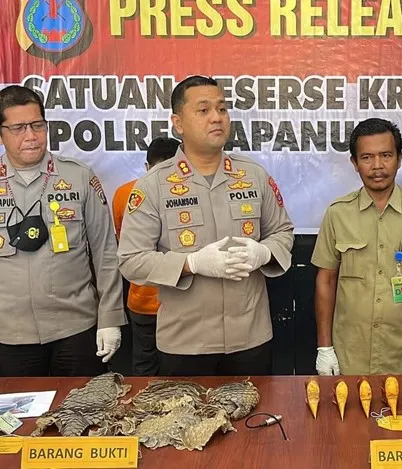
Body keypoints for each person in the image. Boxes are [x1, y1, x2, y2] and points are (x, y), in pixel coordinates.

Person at [117, 75, 294, 376]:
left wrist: (263, 253)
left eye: (222, 109)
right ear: (178, 123)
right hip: (185, 343)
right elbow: (131, 260)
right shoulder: (153, 185)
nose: (216, 117)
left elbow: (282, 232)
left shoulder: (253, 176)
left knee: (253, 407)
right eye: (203, 110)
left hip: (250, 337)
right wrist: (192, 263)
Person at [311, 118, 402, 375]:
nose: (377, 166)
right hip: (349, 354)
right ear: (354, 163)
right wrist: (325, 348)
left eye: (386, 155)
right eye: (367, 157)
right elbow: (326, 280)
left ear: (399, 159)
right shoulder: (338, 214)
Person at [0, 85, 125, 377]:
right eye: (18, 128)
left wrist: (110, 318)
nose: (31, 136)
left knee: (84, 405)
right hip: (9, 335)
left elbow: (106, 252)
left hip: (76, 330)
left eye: (37, 125)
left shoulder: (78, 176)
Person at [112, 137, 179, 376]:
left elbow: (122, 242)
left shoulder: (124, 193)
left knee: (145, 367)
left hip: (144, 297)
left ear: (147, 165)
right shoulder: (189, 192)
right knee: (180, 370)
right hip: (177, 298)